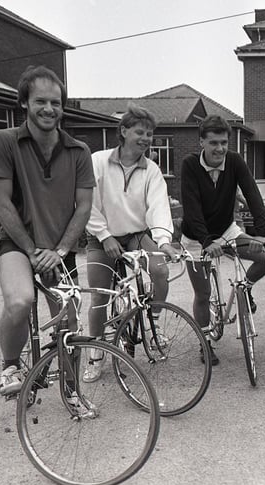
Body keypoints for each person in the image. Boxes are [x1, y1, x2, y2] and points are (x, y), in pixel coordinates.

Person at [0, 65, 95, 404]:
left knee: (71, 320)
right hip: (20, 245)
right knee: (20, 301)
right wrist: (33, 250)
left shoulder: (79, 151)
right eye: (40, 102)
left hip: (59, 248)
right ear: (24, 103)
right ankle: (10, 365)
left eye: (56, 102)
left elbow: (84, 207)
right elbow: (2, 204)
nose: (49, 109)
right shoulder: (4, 141)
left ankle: (72, 391)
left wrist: (61, 250)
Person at [82, 103, 179, 383]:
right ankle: (96, 355)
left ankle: (154, 321)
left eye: (150, 134)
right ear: (123, 131)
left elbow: (159, 205)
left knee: (160, 270)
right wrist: (104, 235)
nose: (146, 138)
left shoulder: (151, 169)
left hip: (136, 235)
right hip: (102, 236)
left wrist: (163, 241)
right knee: (100, 295)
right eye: (140, 132)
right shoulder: (98, 161)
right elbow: (86, 202)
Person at [180, 115, 265, 366]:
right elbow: (191, 208)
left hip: (226, 230)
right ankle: (205, 343)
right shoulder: (190, 165)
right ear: (202, 142)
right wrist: (205, 241)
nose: (220, 149)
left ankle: (244, 288)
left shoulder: (234, 161)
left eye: (224, 142)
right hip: (195, 238)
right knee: (203, 293)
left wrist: (261, 233)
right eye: (213, 143)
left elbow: (252, 193)